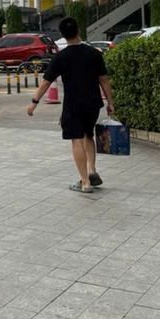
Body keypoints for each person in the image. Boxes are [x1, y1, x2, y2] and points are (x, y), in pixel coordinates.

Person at [27, 16, 114, 193]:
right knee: (88, 135)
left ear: (63, 35)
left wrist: (34, 102)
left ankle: (85, 182)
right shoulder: (94, 53)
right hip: (93, 103)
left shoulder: (61, 57)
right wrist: (110, 103)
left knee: (76, 139)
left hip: (73, 105)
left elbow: (46, 82)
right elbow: (104, 80)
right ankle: (91, 170)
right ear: (78, 31)